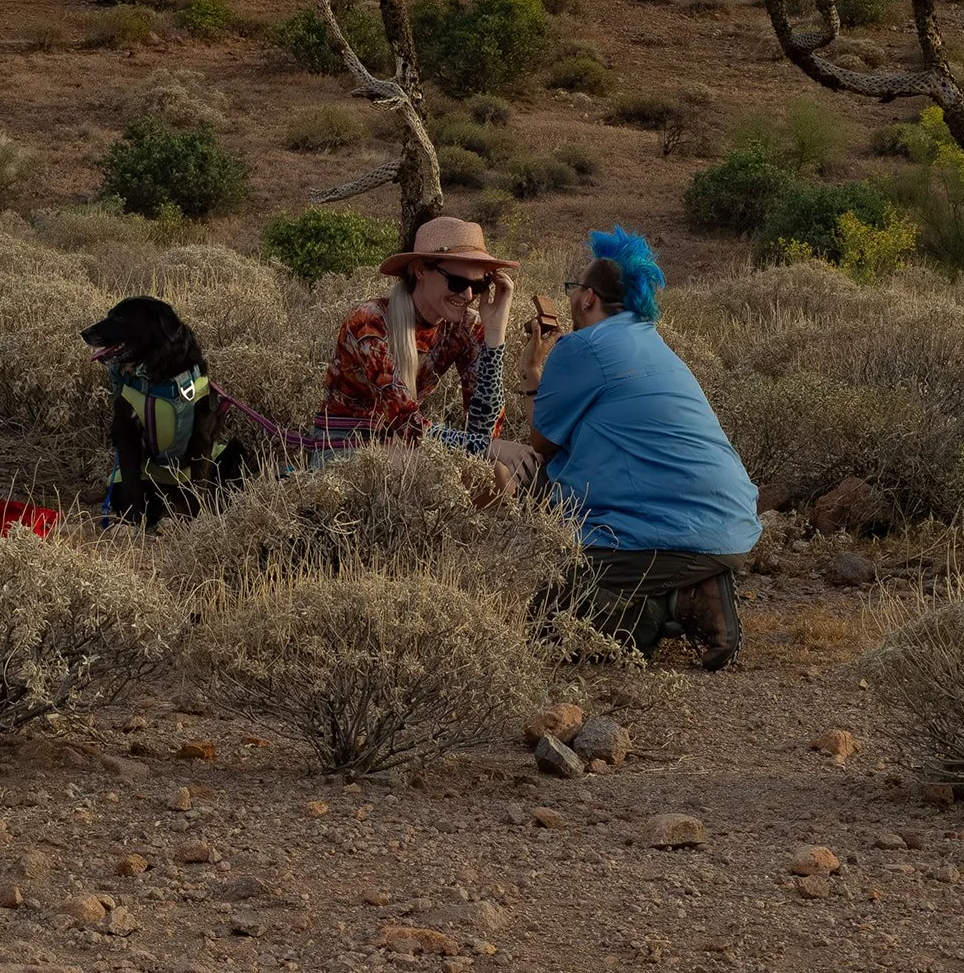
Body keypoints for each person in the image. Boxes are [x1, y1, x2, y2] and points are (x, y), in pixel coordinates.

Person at [518, 227, 761, 670]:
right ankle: (690, 589)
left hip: (673, 531)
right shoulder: (648, 339)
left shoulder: (582, 346)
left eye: (574, 290)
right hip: (730, 523)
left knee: (546, 626)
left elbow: (541, 444)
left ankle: (674, 603)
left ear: (588, 297)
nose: (571, 300)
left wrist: (532, 368)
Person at [312, 216, 517, 461]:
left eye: (480, 285)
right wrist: (486, 448)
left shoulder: (465, 326)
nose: (468, 294)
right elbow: (407, 422)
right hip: (343, 446)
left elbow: (484, 432)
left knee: (498, 474)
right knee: (435, 469)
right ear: (420, 270)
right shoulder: (369, 321)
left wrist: (494, 336)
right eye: (458, 282)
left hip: (403, 447)